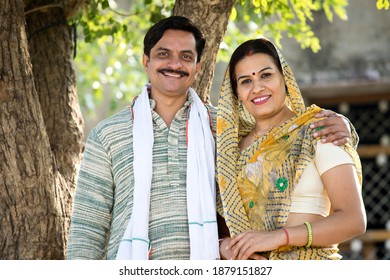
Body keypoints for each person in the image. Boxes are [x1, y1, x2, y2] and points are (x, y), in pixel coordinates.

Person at [67, 16, 355, 260]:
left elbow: (278, 133)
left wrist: (344, 126)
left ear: (198, 67)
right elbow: (87, 229)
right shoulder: (108, 134)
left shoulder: (225, 131)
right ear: (146, 61)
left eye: (186, 56)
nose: (174, 64)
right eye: (163, 54)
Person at [216, 38, 366, 260]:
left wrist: (280, 237)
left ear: (285, 79)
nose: (257, 88)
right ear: (236, 92)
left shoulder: (319, 130)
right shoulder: (229, 152)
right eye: (246, 81)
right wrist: (224, 245)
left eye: (266, 75)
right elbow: (223, 223)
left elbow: (354, 220)